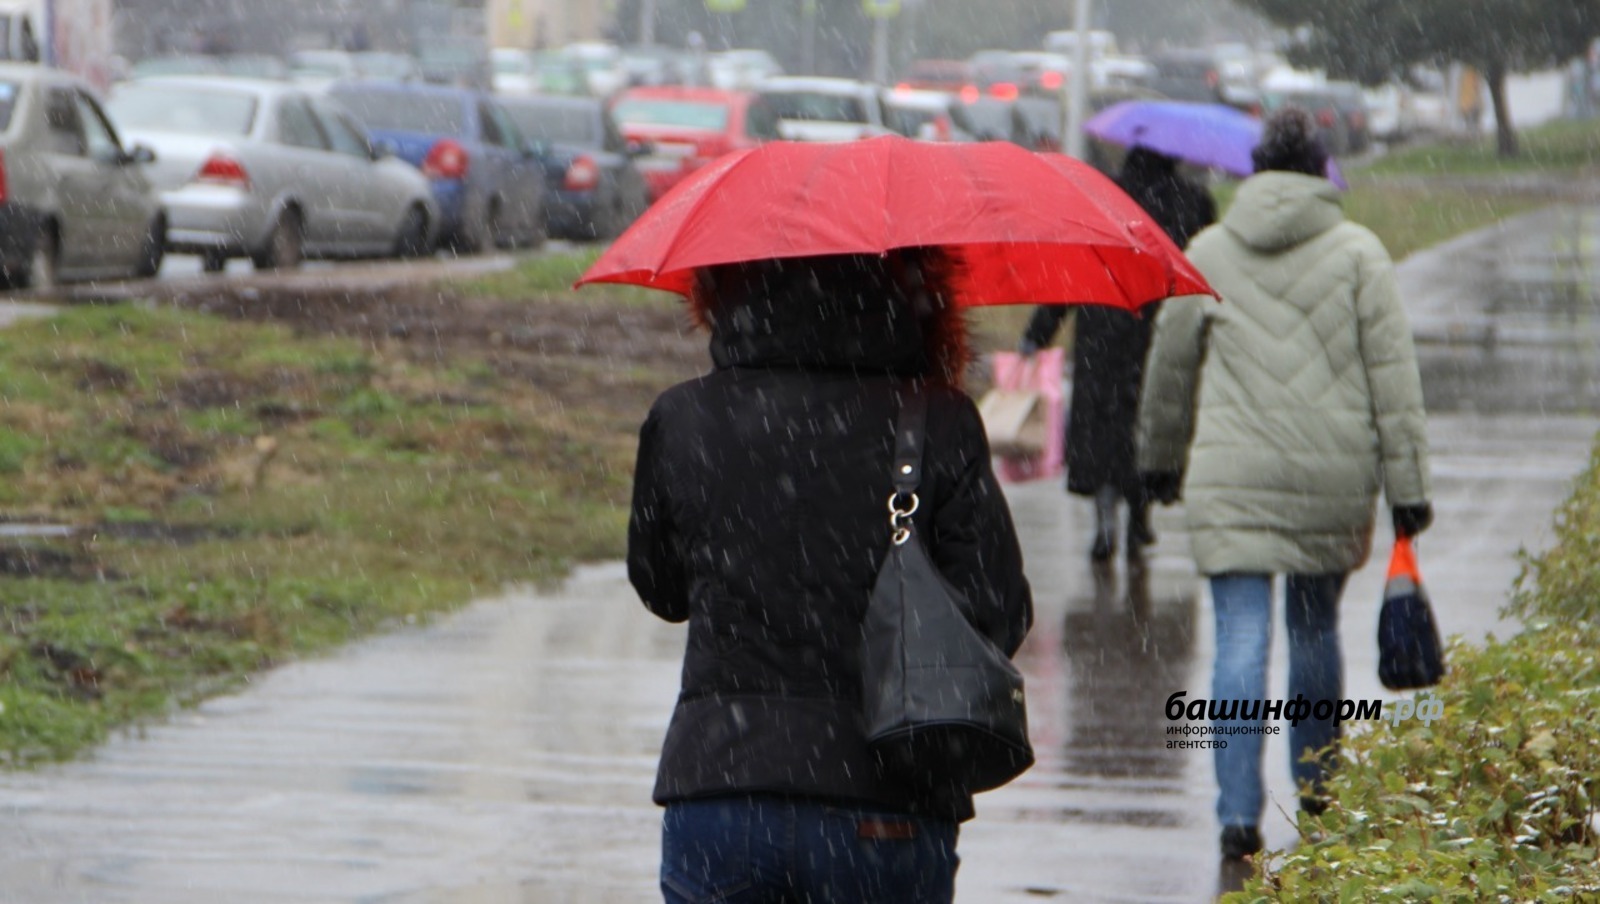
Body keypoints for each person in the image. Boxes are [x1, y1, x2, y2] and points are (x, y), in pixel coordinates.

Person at [628, 251, 1033, 902]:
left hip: (723, 790)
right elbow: (999, 610)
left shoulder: (683, 416)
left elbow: (662, 589)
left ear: (729, 285)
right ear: (907, 288)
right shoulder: (938, 418)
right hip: (886, 796)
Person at [1135, 109, 1433, 861]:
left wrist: (1159, 459)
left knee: (1238, 637)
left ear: (1255, 172)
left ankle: (1238, 817)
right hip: (1330, 470)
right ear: (1321, 171)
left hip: (1231, 472)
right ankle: (1320, 793)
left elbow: (1169, 368)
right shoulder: (1359, 253)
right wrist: (1408, 486)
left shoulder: (1209, 251)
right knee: (1311, 631)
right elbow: (1393, 380)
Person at [1020, 146, 1216, 562]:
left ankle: (1104, 519)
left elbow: (1071, 272)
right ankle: (1139, 520)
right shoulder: (1190, 201)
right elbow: (1205, 263)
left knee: (1102, 430)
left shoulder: (1103, 197)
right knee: (1145, 424)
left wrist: (1039, 332)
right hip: (1158, 328)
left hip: (1102, 327)